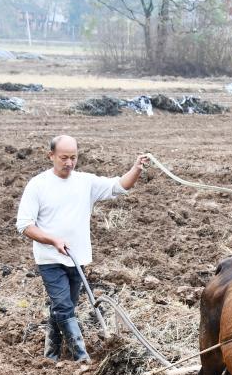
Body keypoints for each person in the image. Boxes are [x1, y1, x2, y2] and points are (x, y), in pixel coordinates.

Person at [15, 135, 148, 362]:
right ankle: (81, 358)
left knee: (62, 309)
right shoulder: (38, 185)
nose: (69, 163)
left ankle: (51, 356)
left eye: (73, 157)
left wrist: (136, 169)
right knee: (65, 307)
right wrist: (52, 240)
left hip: (77, 258)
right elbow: (24, 225)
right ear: (51, 156)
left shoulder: (85, 182)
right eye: (64, 158)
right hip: (50, 259)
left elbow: (119, 186)